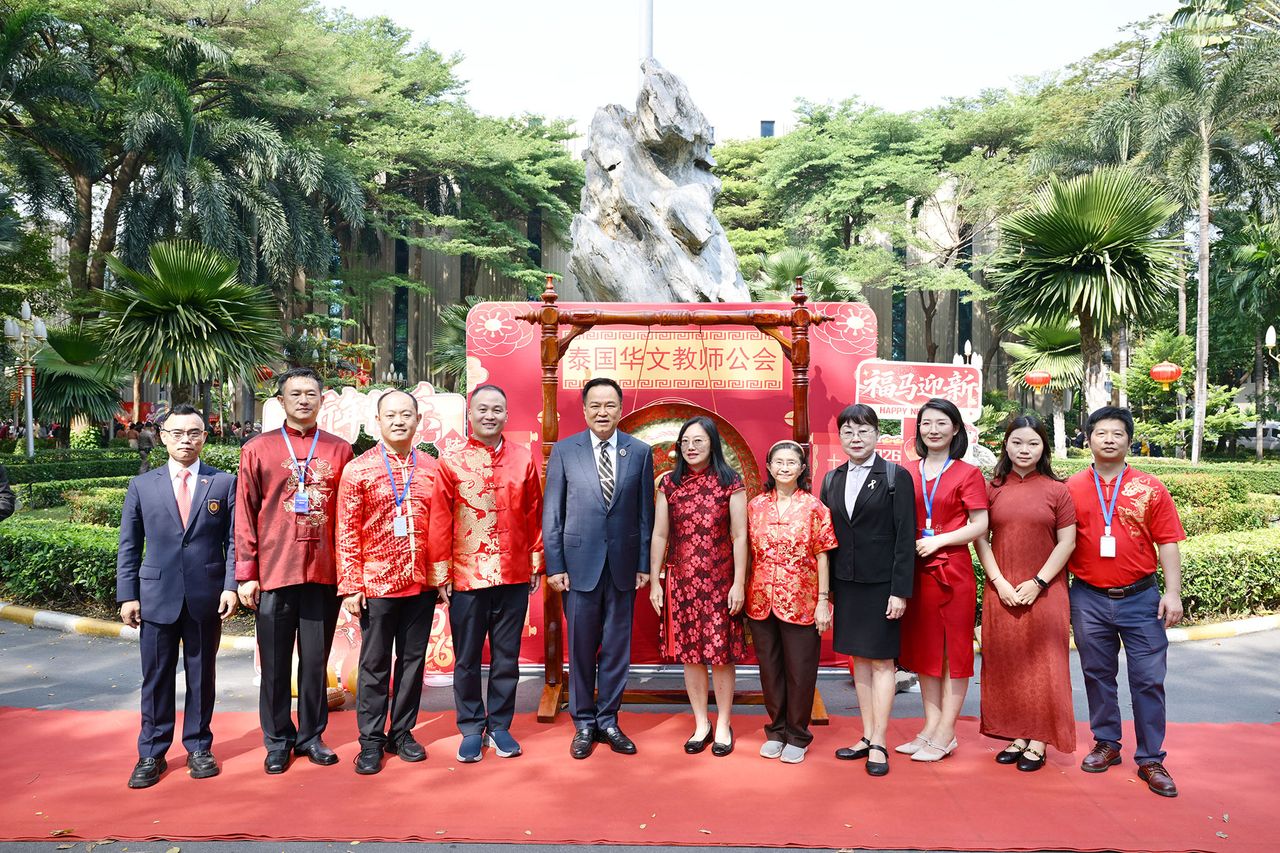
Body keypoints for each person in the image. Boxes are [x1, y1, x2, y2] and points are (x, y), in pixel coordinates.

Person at [235, 367, 354, 774]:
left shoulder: (340, 449)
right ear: (280, 401)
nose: (304, 400)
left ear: (322, 399)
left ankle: (312, 736)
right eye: (295, 393)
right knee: (275, 663)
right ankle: (277, 740)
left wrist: (350, 573)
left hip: (324, 570)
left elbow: (349, 515)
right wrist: (247, 572)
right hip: (275, 570)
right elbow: (245, 512)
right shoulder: (257, 448)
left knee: (315, 661)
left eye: (311, 393)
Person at [115, 404, 237, 788]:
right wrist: (128, 595)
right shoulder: (142, 485)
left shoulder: (223, 483)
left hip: (206, 595)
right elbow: (129, 545)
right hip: (155, 595)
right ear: (163, 437)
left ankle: (199, 747)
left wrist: (230, 586)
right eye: (178, 433)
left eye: (194, 433)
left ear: (205, 437)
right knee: (156, 677)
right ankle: (152, 752)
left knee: (202, 675)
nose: (186, 440)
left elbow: (234, 542)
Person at [1066, 406, 1185, 798]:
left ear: (1129, 441)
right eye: (1101, 433)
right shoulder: (1070, 487)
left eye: (1117, 433)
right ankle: (1107, 743)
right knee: (1097, 674)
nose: (1109, 439)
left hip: (1141, 598)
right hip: (1088, 597)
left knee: (1148, 680)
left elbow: (1168, 541)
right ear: (1088, 439)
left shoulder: (1150, 487)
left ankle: (1151, 758)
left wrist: (1172, 592)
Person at [429, 384, 543, 763]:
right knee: (466, 658)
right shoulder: (451, 461)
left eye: (496, 409)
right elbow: (440, 520)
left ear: (506, 415)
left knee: (506, 657)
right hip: (466, 576)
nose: (489, 415)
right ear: (471, 415)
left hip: (513, 573)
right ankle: (470, 727)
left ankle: (500, 726)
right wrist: (442, 574)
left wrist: (535, 562)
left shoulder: (523, 458)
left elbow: (534, 513)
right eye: (482, 409)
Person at [543, 376, 654, 759]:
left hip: (623, 567)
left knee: (617, 649)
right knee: (581, 648)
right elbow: (553, 514)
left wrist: (643, 563)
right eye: (595, 405)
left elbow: (644, 514)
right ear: (585, 409)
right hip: (578, 568)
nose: (602, 412)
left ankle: (609, 720)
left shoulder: (639, 452)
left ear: (620, 409)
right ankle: (584, 723)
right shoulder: (564, 451)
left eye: (609, 405)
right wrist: (554, 565)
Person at [336, 390, 440, 775]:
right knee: (375, 664)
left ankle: (402, 733)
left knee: (413, 663)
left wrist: (441, 576)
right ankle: (370, 740)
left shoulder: (432, 468)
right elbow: (346, 529)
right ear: (377, 421)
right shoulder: (358, 469)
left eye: (406, 414)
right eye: (391, 415)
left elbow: (441, 527)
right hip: (376, 584)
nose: (399, 421)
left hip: (421, 583)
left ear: (418, 420)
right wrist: (351, 584)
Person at [973, 415, 1077, 772]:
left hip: (1046, 592)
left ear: (1043, 447)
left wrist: (1038, 583)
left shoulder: (1057, 490)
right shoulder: (991, 488)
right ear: (1006, 444)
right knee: (1008, 662)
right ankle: (1018, 733)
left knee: (1046, 666)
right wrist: (999, 582)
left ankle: (1039, 740)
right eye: (1017, 442)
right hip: (1000, 588)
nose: (1024, 450)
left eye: (1033, 443)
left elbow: (1067, 542)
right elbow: (980, 538)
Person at [820, 404, 916, 777]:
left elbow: (905, 538)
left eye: (863, 431)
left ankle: (879, 741)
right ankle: (866, 734)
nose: (856, 438)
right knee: (858, 660)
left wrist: (899, 591)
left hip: (882, 585)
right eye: (848, 432)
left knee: (881, 662)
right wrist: (827, 592)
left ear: (877, 435)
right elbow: (827, 538)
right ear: (840, 437)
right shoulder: (832, 478)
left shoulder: (894, 476)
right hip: (847, 585)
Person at [648, 416, 748, 756]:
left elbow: (740, 536)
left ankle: (723, 723)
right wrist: (655, 581)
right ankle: (701, 723)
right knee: (691, 656)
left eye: (699, 441)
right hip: (682, 581)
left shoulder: (730, 481)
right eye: (685, 442)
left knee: (720, 655)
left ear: (712, 444)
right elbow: (660, 534)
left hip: (721, 581)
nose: (691, 448)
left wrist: (738, 582)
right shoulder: (670, 484)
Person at [896, 397, 989, 762]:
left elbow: (980, 525)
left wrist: (939, 540)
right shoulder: (906, 471)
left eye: (941, 423)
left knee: (953, 653)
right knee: (926, 652)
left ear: (955, 429)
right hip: (917, 571)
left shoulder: (968, 473)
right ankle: (930, 728)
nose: (932, 430)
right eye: (926, 423)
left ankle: (947, 732)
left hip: (952, 570)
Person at [746, 440, 838, 765]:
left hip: (802, 599)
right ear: (769, 467)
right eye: (779, 462)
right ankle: (776, 730)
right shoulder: (755, 506)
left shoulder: (814, 507)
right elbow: (746, 551)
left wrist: (823, 601)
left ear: (802, 468)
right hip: (760, 599)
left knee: (800, 671)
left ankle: (798, 735)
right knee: (770, 670)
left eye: (791, 462)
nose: (784, 468)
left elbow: (823, 555)